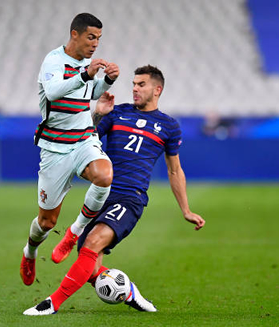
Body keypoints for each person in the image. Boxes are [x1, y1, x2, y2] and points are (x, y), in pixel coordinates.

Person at [23, 65, 205, 315]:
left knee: (93, 243)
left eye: (141, 84)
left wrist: (186, 209)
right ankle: (128, 291)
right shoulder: (117, 113)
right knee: (89, 266)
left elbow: (175, 170)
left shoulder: (169, 126)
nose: (134, 88)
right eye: (133, 83)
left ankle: (51, 303)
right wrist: (98, 113)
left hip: (131, 197)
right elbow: (85, 139)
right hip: (102, 195)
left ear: (157, 89)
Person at [20, 13, 120, 287]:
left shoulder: (87, 64)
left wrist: (107, 82)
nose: (95, 44)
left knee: (104, 175)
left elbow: (87, 91)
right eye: (91, 37)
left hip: (84, 138)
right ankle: (29, 252)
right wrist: (86, 74)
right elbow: (54, 92)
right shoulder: (53, 61)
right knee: (46, 221)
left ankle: (74, 233)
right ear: (74, 34)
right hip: (54, 148)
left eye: (99, 38)